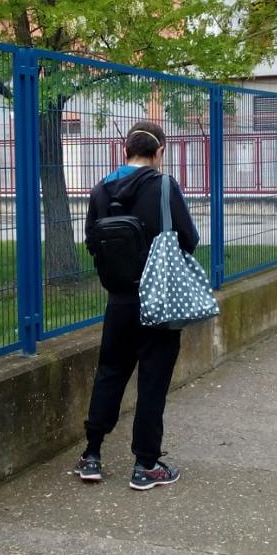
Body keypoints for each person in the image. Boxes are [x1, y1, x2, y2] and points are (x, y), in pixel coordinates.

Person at [77, 121, 199, 491]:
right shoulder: (164, 185)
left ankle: (92, 455)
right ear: (159, 151)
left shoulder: (101, 188)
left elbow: (92, 239)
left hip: (119, 300)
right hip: (158, 300)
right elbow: (189, 239)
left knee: (110, 372)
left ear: (125, 150)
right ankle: (146, 464)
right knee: (152, 380)